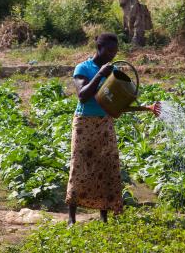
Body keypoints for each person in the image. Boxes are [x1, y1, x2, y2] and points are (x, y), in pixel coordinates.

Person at [66, 33, 122, 225]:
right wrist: (100, 74)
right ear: (99, 48)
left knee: (105, 166)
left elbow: (117, 100)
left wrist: (144, 107)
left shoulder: (113, 70)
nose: (112, 55)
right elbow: (82, 95)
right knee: (79, 166)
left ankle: (103, 217)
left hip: (104, 122)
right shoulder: (84, 68)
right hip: (84, 122)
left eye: (115, 51)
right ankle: (72, 217)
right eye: (109, 50)